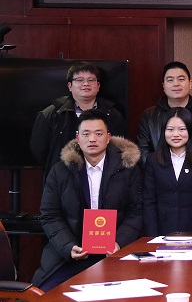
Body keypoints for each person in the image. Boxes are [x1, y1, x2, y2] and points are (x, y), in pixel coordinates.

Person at [31, 110, 142, 291]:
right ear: (77, 138)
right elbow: (50, 215)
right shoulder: (60, 171)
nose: (92, 139)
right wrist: (68, 246)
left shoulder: (127, 169)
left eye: (98, 134)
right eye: (86, 134)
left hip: (113, 253)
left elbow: (136, 212)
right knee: (45, 295)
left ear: (108, 137)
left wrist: (119, 243)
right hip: (70, 257)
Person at [30, 61, 127, 180]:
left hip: (103, 179)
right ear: (70, 86)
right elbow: (40, 151)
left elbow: (119, 150)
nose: (86, 84)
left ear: (98, 86)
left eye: (91, 80)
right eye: (79, 80)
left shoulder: (113, 115)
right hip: (62, 180)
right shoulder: (51, 115)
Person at [142, 107, 192, 236]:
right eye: (170, 129)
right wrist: (151, 236)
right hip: (163, 230)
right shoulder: (153, 160)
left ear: (190, 130)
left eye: (181, 129)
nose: (175, 134)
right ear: (163, 131)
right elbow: (149, 201)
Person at [137, 61, 192, 167]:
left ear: (190, 84)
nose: (176, 84)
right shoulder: (149, 115)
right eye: (170, 80)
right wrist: (162, 172)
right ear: (163, 86)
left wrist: (181, 173)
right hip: (157, 174)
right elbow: (143, 151)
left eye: (181, 79)